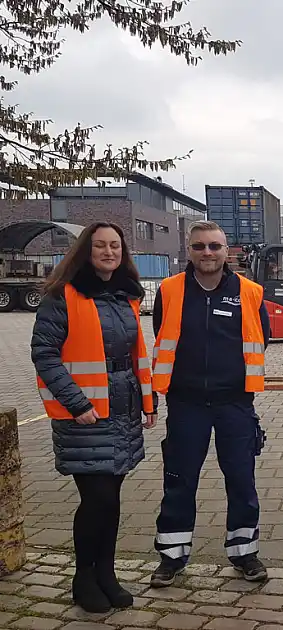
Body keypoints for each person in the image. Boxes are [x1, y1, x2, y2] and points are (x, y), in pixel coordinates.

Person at [31, 222, 156, 613]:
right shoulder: (62, 295)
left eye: (115, 246)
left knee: (112, 499)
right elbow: (45, 354)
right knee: (96, 498)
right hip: (85, 412)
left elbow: (135, 355)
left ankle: (107, 573)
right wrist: (77, 403)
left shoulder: (125, 296)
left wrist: (148, 404)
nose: (108, 252)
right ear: (86, 251)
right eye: (100, 245)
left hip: (121, 407)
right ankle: (84, 577)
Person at [149, 220, 271, 587]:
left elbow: (260, 338)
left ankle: (244, 552)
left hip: (234, 404)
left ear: (226, 250)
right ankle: (171, 556)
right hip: (186, 404)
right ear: (189, 250)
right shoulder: (169, 290)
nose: (207, 253)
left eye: (214, 246)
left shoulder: (250, 292)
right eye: (199, 246)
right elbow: (161, 332)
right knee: (179, 481)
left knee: (241, 480)